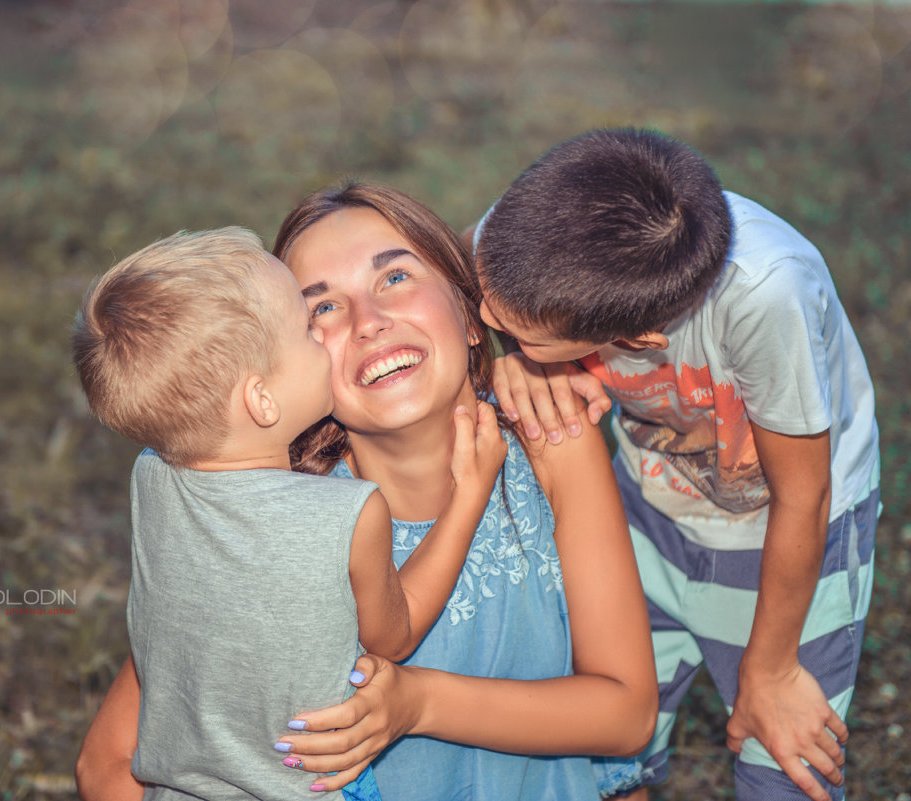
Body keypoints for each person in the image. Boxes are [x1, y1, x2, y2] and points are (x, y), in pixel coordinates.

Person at [75, 184, 658, 801]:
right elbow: (109, 762)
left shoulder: (550, 438)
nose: (368, 323)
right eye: (319, 311)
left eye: (396, 276)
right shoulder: (262, 506)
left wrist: (419, 702)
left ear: (469, 310)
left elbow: (626, 717)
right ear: (267, 370)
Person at [470, 128, 881, 801]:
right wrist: (505, 354)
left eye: (521, 333)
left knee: (785, 763)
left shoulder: (765, 295)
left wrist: (772, 669)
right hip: (648, 505)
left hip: (787, 538)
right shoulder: (526, 238)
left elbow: (802, 495)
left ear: (636, 340)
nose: (487, 319)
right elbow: (474, 265)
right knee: (597, 747)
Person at [70, 225, 507, 800]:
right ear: (261, 400)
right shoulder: (345, 513)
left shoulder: (151, 477)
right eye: (307, 330)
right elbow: (393, 638)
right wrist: (469, 494)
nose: (324, 342)